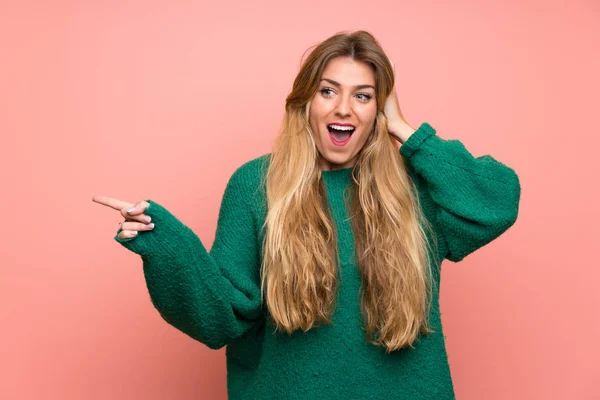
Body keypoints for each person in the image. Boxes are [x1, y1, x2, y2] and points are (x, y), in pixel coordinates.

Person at [92, 30, 521, 400]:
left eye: (364, 96)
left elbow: (496, 202)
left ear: (378, 112)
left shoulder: (416, 187)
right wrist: (165, 245)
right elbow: (223, 316)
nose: (343, 109)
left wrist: (407, 132)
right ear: (305, 102)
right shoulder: (256, 185)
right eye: (328, 90)